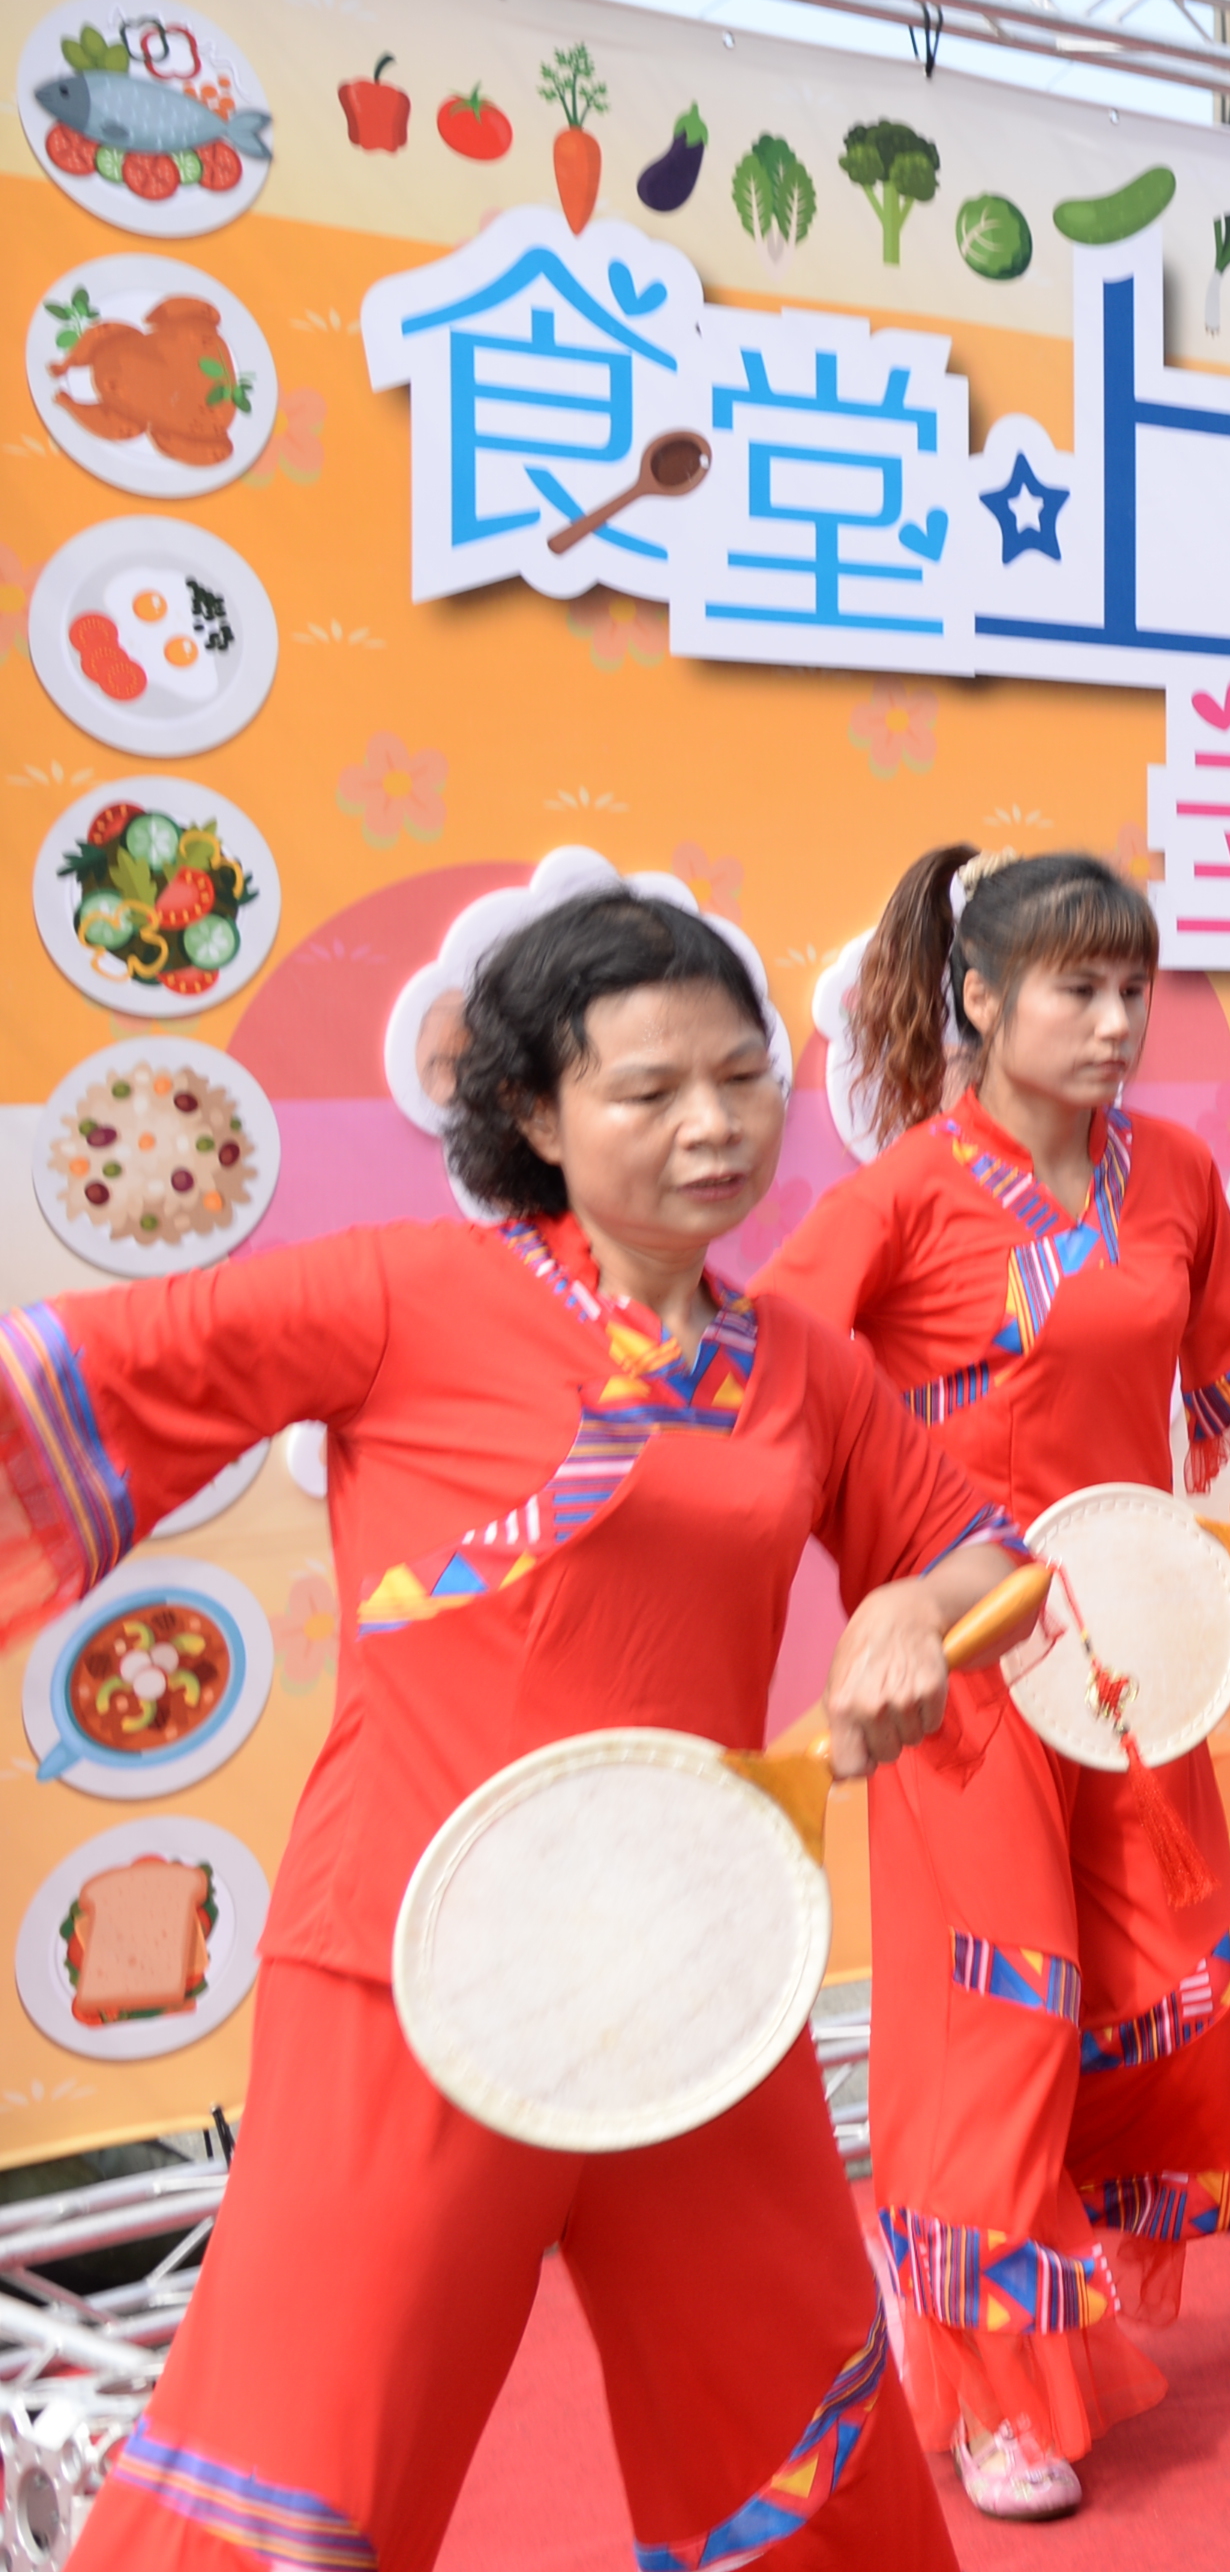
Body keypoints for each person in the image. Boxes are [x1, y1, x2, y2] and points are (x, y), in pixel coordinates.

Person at [5, 892, 1026, 2572]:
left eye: (742, 1075)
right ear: (534, 1115)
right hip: (415, 1962)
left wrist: (915, 1602)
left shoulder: (808, 1367)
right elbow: (90, 1377)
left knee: (788, 2405)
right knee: (308, 2440)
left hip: (698, 1971)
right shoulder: (409, 1293)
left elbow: (979, 1548)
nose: (713, 1121)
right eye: (646, 1090)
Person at [758, 847, 1230, 2519]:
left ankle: (1034, 2308)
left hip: (1130, 1651)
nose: (1116, 1019)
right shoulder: (899, 1199)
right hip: (973, 1670)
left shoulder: (1176, 1172)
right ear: (981, 998)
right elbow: (770, 1392)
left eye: (1133, 987)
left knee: (1174, 1984)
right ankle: (997, 2387)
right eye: (1076, 987)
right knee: (1003, 2013)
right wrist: (895, 1589)